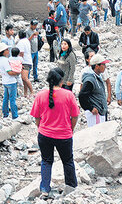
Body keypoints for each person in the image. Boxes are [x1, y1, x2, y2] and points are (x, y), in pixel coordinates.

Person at [30, 68, 79, 196]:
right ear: (61, 81)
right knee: (67, 161)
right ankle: (71, 186)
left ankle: (45, 189)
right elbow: (75, 116)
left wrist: (40, 127)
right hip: (64, 134)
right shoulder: (68, 95)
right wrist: (71, 128)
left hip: (45, 134)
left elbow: (36, 116)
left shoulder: (40, 95)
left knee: (46, 161)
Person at [78, 54, 109, 127]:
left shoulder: (97, 76)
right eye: (103, 64)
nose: (105, 67)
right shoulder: (90, 80)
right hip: (95, 113)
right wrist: (90, 108)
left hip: (100, 111)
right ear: (97, 66)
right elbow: (81, 96)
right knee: (97, 135)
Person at [0, 43, 20, 119]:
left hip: (5, 81)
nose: (8, 51)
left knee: (5, 98)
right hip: (11, 82)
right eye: (7, 50)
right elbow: (10, 72)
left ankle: (5, 114)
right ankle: (15, 116)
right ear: (3, 51)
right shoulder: (6, 60)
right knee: (12, 99)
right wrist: (18, 72)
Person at [17, 30, 33, 97]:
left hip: (24, 62)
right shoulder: (27, 41)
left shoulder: (21, 42)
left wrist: (19, 62)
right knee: (24, 79)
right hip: (28, 60)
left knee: (24, 77)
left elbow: (21, 53)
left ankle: (32, 91)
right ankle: (25, 93)